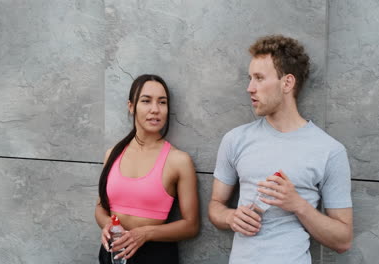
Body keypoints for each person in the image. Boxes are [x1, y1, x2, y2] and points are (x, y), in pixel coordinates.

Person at [208, 35, 353, 263]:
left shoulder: (329, 151)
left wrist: (298, 205)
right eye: (250, 78)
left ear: (287, 83)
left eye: (259, 78)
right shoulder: (235, 140)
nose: (249, 88)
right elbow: (215, 206)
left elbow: (343, 240)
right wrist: (230, 217)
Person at [95, 74, 199, 263]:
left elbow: (191, 226)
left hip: (155, 255)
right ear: (131, 106)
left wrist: (145, 233)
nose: (155, 109)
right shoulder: (112, 154)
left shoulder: (178, 160)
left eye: (162, 102)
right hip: (112, 252)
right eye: (146, 101)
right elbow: (101, 208)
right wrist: (108, 224)